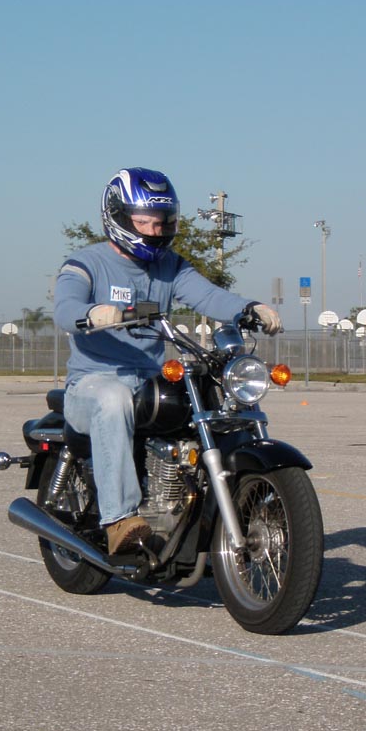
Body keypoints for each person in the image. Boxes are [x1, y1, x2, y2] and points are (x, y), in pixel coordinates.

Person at [53, 167, 282, 554]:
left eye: (162, 221)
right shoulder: (85, 263)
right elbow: (64, 308)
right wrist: (93, 313)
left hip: (149, 379)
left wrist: (248, 308)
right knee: (112, 398)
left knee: (213, 399)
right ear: (119, 217)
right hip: (93, 383)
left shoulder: (170, 266)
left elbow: (208, 296)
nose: (155, 230)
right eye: (145, 221)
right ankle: (119, 519)